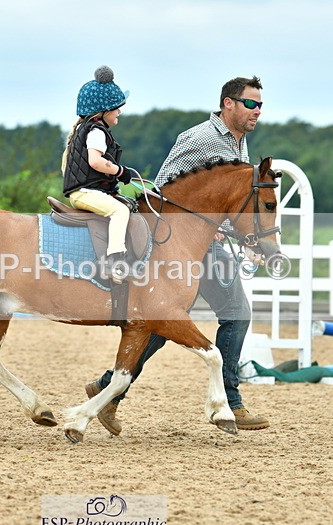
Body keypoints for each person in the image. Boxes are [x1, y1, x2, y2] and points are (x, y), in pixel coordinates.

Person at [86, 75, 270, 434]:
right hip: (182, 245)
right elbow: (164, 187)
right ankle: (231, 403)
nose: (257, 111)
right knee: (233, 313)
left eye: (261, 105)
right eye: (251, 103)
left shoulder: (240, 143)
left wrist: (247, 238)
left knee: (162, 325)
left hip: (207, 245)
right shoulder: (199, 138)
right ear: (228, 103)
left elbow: (228, 205)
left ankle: (108, 388)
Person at [62, 66, 141, 284]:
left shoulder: (88, 129)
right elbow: (95, 161)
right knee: (119, 210)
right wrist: (119, 171)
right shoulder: (96, 131)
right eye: (117, 108)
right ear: (103, 111)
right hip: (84, 193)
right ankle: (114, 262)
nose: (119, 112)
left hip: (88, 190)